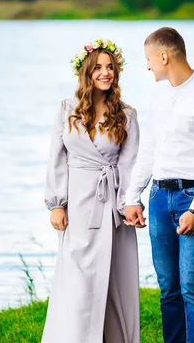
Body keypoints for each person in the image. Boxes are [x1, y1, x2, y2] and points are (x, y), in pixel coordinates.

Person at [124, 27, 194, 343]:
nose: (147, 67)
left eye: (148, 59)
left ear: (164, 56)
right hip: (158, 198)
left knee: (192, 286)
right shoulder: (159, 95)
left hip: (192, 198)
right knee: (168, 287)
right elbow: (148, 150)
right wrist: (134, 195)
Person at [42, 39, 141, 343]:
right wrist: (57, 204)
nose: (105, 72)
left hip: (112, 209)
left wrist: (128, 203)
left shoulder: (126, 115)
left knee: (115, 281)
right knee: (78, 281)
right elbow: (56, 159)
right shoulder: (66, 111)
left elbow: (130, 164)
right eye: (98, 67)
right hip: (78, 209)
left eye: (110, 67)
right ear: (86, 72)